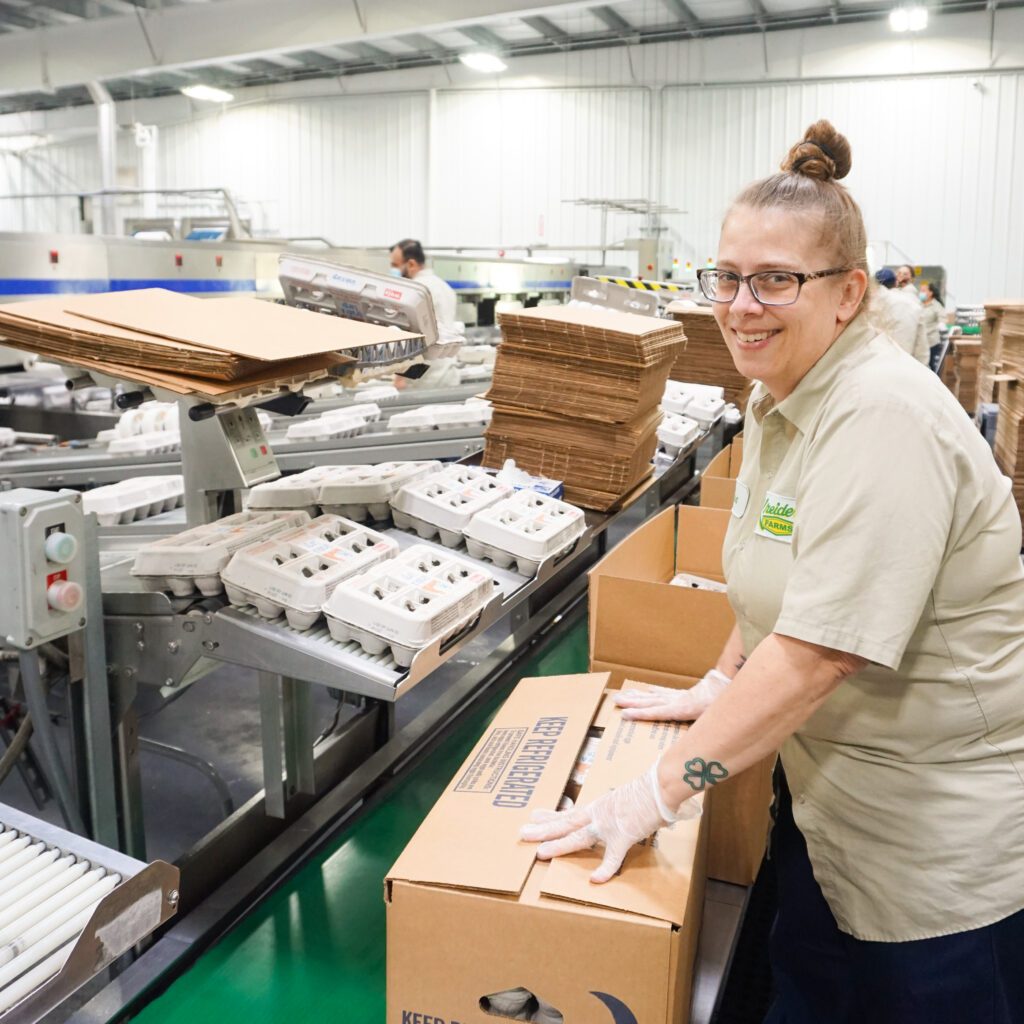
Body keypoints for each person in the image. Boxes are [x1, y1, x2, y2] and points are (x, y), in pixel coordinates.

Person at [520, 120, 1024, 1023]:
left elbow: (822, 654)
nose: (741, 305)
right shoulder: (779, 395)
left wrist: (653, 795)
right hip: (828, 810)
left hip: (933, 850)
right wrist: (721, 677)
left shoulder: (881, 420)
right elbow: (773, 571)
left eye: (777, 280)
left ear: (849, 294)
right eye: (728, 277)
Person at [389, 238, 458, 333]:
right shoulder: (445, 287)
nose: (393, 270)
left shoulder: (415, 289)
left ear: (411, 264)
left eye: (395, 265)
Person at [871, 266, 929, 364]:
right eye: (899, 273)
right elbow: (921, 349)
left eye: (905, 274)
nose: (901, 276)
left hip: (874, 364)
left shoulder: (868, 303)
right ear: (896, 282)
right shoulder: (912, 304)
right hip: (905, 364)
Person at [920, 280, 946, 372]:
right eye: (920, 291)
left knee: (931, 368)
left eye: (923, 291)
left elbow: (942, 319)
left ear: (930, 293)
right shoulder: (919, 304)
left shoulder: (936, 305)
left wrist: (941, 325)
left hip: (931, 342)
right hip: (921, 341)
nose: (921, 293)